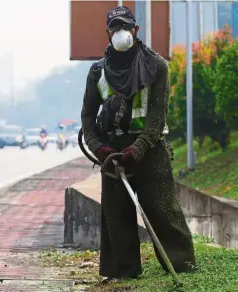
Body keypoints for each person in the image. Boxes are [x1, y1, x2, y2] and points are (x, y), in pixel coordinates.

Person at [80, 6, 196, 283]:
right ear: (107, 33)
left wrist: (138, 149)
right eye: (115, 28)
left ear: (136, 30)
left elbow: (157, 118)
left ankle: (182, 265)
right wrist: (100, 149)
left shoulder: (157, 66)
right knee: (116, 215)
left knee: (162, 209)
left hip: (150, 150)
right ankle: (123, 270)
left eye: (126, 27)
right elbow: (87, 116)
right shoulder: (97, 72)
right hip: (112, 154)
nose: (121, 33)